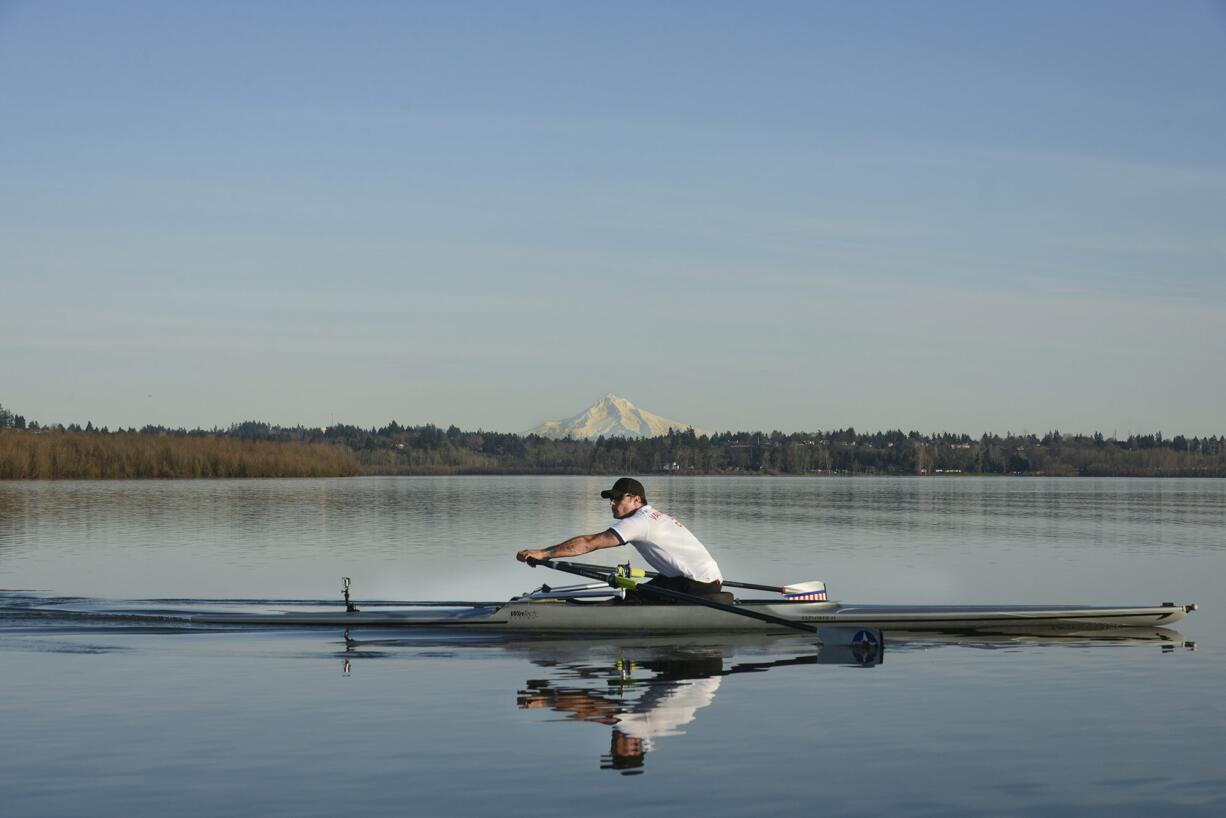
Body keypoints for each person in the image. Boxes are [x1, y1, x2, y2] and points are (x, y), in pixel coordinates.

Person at [515, 477, 724, 600]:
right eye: (611, 499)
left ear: (636, 499)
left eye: (617, 498)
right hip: (698, 578)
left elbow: (590, 543)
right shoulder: (648, 516)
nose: (612, 503)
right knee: (629, 596)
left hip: (696, 584)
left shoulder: (639, 521)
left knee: (628, 602)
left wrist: (543, 553)